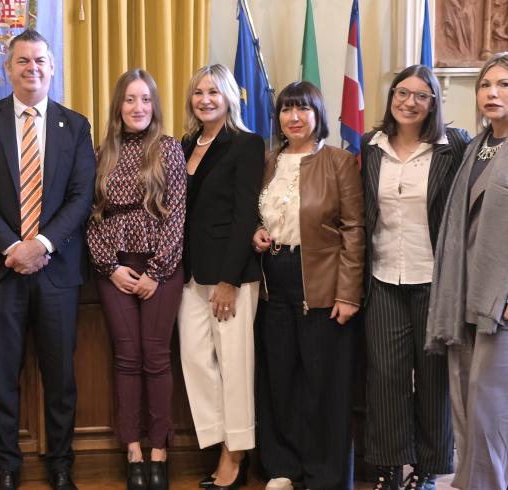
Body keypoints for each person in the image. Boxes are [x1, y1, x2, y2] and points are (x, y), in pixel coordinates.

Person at [0, 29, 96, 490]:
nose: (32, 68)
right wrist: (12, 247)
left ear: (52, 68)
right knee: (1, 376)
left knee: (60, 377)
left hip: (57, 272)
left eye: (40, 61)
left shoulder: (75, 126)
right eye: (22, 61)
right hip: (1, 272)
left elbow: (80, 197)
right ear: (8, 68)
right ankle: (6, 468)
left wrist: (42, 244)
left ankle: (61, 466)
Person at [360, 65, 470, 490]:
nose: (409, 102)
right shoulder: (372, 147)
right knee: (385, 377)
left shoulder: (453, 146)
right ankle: (389, 469)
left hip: (436, 281)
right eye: (402, 93)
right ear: (391, 98)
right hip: (383, 277)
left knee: (433, 379)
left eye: (421, 96)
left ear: (434, 104)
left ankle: (428, 470)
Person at [251, 81, 364, 490]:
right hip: (273, 283)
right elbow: (258, 214)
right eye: (286, 110)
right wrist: (255, 233)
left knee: (324, 384)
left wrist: (348, 293)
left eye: (302, 109)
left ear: (318, 115)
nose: (293, 117)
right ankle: (283, 466)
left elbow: (354, 229)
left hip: (322, 283)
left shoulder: (339, 161)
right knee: (280, 379)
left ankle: (325, 475)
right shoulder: (268, 161)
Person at [85, 68, 185, 490]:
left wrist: (156, 272)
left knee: (155, 356)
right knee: (126, 357)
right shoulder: (101, 151)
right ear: (118, 105)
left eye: (145, 99)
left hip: (161, 266)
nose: (137, 107)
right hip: (115, 269)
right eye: (129, 99)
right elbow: (90, 216)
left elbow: (178, 213)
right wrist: (111, 267)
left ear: (154, 105)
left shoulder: (169, 149)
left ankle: (159, 450)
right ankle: (133, 452)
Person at [176, 64, 264, 490]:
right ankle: (220, 438)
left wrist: (229, 279)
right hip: (190, 272)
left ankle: (236, 454)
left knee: (234, 364)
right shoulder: (185, 144)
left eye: (214, 91)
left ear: (229, 95)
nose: (205, 99)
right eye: (198, 92)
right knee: (194, 358)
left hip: (231, 274)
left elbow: (244, 212)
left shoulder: (246, 144)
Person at [426, 51, 508, 490]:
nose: (492, 93)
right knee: (464, 403)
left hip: (500, 302)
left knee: (489, 412)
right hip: (464, 293)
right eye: (485, 85)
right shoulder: (477, 146)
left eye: (504, 84)